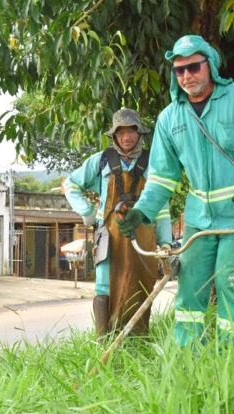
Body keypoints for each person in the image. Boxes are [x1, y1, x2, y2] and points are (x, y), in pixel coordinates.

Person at [116, 35, 234, 347]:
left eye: (193, 67)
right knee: (189, 293)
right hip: (198, 222)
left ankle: (230, 370)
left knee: (232, 292)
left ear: (211, 65)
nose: (186, 76)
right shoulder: (170, 118)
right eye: (179, 71)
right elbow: (162, 177)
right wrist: (142, 211)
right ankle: (187, 364)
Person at [64, 109, 172, 339]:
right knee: (104, 288)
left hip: (144, 235)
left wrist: (165, 244)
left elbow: (162, 206)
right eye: (121, 131)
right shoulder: (102, 160)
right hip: (109, 236)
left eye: (131, 130)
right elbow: (71, 184)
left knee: (142, 286)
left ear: (139, 133)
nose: (126, 136)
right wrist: (87, 211)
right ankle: (103, 341)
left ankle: (137, 342)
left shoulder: (153, 162)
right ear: (114, 135)